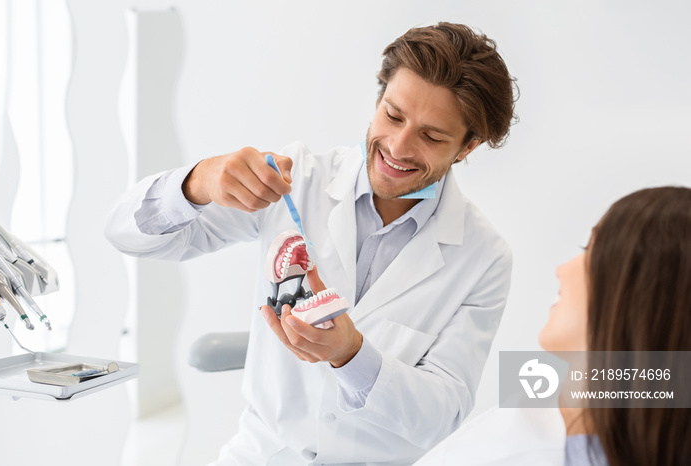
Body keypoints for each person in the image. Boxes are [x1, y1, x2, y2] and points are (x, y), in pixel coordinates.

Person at [106, 22, 517, 465]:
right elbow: (126, 234)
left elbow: (443, 413)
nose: (398, 146)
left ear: (467, 147)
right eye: (393, 116)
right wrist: (197, 183)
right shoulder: (296, 180)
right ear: (378, 99)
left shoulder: (483, 257)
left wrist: (352, 356)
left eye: (432, 136)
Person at [414, 186, 691, 466]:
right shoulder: (542, 410)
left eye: (591, 248)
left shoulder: (551, 446)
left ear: (641, 291)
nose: (563, 268)